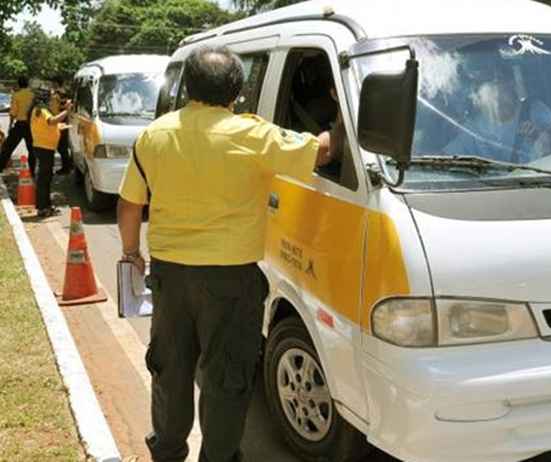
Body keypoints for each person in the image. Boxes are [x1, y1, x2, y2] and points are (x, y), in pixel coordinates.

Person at [117, 46, 335, 462]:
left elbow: (129, 205)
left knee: (171, 370)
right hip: (232, 282)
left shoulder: (155, 134)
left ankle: (167, 450)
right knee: (226, 377)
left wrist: (132, 253)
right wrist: (342, 125)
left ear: (187, 87)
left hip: (170, 278)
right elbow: (320, 152)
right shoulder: (253, 135)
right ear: (237, 90)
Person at [444, 63, 551, 163]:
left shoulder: (533, 110)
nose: (497, 97)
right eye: (491, 90)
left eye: (502, 86)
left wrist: (539, 135)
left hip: (538, 180)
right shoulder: (473, 127)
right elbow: (444, 159)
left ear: (511, 86)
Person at [29, 89, 71, 218]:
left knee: (46, 178)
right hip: (44, 148)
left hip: (45, 147)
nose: (53, 101)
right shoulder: (41, 110)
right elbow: (51, 121)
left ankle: (46, 206)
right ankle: (42, 208)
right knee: (43, 179)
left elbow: (47, 126)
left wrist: (59, 127)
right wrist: (67, 111)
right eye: (52, 99)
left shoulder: (39, 109)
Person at [0, 76, 35, 174]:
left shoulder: (16, 95)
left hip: (20, 125)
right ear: (27, 84)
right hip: (31, 125)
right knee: (31, 149)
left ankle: (1, 166)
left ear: (19, 85)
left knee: (8, 147)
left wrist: (10, 125)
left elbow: (13, 113)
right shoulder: (33, 95)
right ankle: (32, 171)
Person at [49, 77, 72, 174]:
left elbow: (54, 111)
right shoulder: (66, 93)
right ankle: (68, 165)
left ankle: (66, 168)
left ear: (56, 83)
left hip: (59, 122)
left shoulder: (55, 96)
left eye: (52, 83)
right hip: (66, 121)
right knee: (64, 146)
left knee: (61, 147)